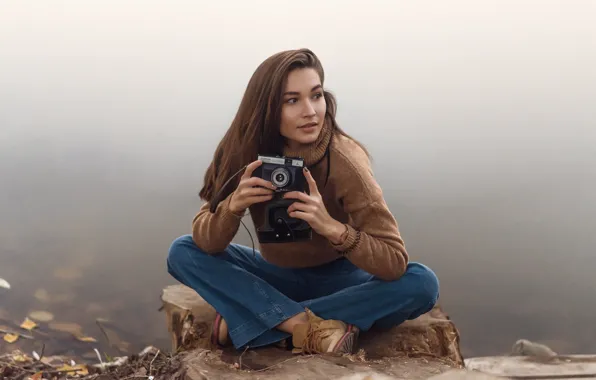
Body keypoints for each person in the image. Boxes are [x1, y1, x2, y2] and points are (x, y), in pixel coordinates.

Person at [167, 48, 439, 355]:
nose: (310, 111)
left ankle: (256, 317)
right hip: (272, 274)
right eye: (292, 100)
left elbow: (393, 261)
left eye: (316, 95)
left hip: (342, 280)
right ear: (267, 107)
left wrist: (333, 228)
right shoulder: (244, 151)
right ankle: (303, 327)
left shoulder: (345, 160)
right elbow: (206, 241)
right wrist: (233, 206)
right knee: (182, 251)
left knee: (422, 283)